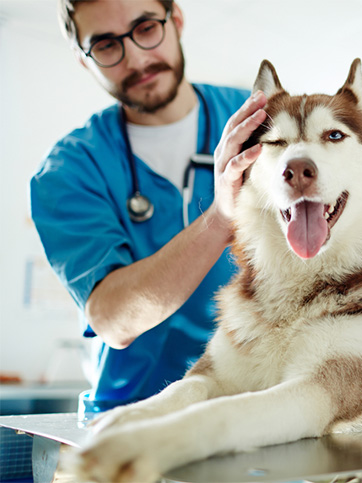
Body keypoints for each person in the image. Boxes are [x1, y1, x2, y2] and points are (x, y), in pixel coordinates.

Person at [29, 0, 267, 417]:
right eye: (105, 44)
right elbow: (113, 320)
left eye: (145, 28)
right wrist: (219, 218)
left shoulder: (256, 120)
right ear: (84, 61)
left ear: (175, 20)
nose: (136, 58)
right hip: (135, 416)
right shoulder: (70, 169)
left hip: (257, 402)